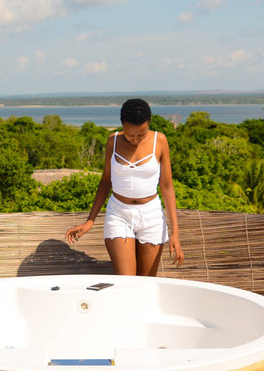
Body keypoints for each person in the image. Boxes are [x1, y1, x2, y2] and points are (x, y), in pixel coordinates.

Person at [65, 98, 183, 275]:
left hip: (151, 215)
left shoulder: (160, 141)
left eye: (140, 135)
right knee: (126, 282)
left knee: (146, 283)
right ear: (122, 125)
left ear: (148, 123)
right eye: (130, 135)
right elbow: (105, 182)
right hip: (119, 214)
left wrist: (175, 233)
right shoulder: (113, 141)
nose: (135, 139)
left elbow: (167, 187)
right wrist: (90, 220)